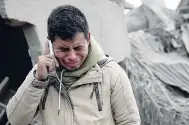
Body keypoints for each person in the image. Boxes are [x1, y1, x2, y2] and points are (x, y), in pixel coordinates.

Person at [6, 5, 140, 125]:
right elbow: (16, 120)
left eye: (78, 48)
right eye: (63, 49)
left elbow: (130, 122)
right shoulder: (41, 75)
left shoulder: (111, 73)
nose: (72, 56)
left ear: (88, 38)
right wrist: (38, 81)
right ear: (51, 45)